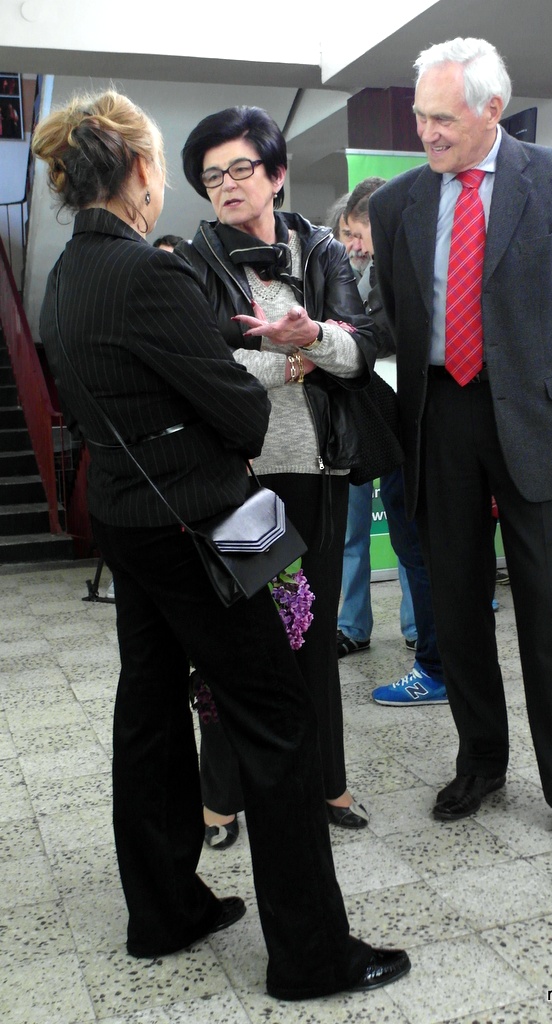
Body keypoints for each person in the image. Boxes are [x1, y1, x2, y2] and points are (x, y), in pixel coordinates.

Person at [32, 89, 410, 998]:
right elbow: (242, 414)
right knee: (278, 718)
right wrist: (271, 374)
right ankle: (312, 957)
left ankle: (166, 909)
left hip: (127, 516)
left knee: (149, 711)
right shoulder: (154, 272)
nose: (216, 184)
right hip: (205, 523)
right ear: (142, 171)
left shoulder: (67, 274)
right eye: (198, 171)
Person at [369, 37, 552, 866]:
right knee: (456, 602)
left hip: (533, 418)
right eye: (420, 116)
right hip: (439, 416)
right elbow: (397, 315)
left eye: (443, 117)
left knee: (549, 607)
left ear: (491, 110)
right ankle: (480, 761)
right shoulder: (400, 202)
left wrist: (542, 385)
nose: (427, 132)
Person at [178, 105, 379, 844]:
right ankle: (221, 795)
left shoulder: (320, 250)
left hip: (314, 472)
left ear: (276, 174)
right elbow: (206, 368)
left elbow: (359, 353)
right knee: (243, 640)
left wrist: (314, 337)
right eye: (211, 177)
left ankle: (327, 782)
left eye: (239, 168)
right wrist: (295, 362)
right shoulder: (195, 262)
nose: (226, 185)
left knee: (315, 636)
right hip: (242, 481)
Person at [337, 177, 448, 706]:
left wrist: (328, 334)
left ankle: (434, 664)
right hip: (398, 423)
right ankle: (435, 659)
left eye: (356, 233)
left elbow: (382, 335)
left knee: (416, 548)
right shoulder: (389, 266)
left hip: (410, 425)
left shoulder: (401, 267)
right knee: (412, 545)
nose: (353, 245)